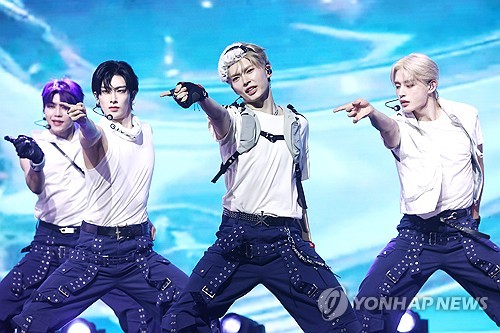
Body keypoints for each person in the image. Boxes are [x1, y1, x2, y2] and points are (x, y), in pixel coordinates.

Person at [160, 42, 361, 333]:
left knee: (342, 322)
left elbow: (296, 189)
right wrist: (201, 96)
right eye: (236, 78)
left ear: (267, 69)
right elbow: (217, 114)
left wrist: (307, 238)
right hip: (237, 240)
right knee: (180, 321)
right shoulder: (233, 119)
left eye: (249, 71)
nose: (245, 81)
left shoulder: (298, 124)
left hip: (287, 242)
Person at [12, 61, 188, 333]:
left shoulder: (140, 132)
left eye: (120, 90)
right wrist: (77, 125)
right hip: (80, 247)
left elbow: (124, 183)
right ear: (97, 97)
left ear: (132, 93)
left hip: (130, 247)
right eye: (106, 92)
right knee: (28, 320)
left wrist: (142, 216)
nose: (114, 98)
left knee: (180, 312)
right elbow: (89, 137)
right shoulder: (82, 133)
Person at [333, 53, 500, 332]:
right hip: (416, 235)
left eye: (409, 85)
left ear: (431, 85)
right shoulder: (400, 124)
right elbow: (388, 129)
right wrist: (374, 114)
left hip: (461, 233)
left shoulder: (465, 114)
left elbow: (477, 164)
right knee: (369, 306)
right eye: (397, 86)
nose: (401, 92)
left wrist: (475, 209)